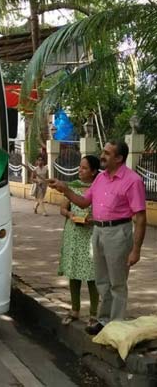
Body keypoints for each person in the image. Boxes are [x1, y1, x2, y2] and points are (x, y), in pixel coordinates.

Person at [49, 140, 147, 335]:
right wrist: (65, 189)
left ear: (119, 158)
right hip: (98, 232)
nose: (102, 156)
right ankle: (103, 320)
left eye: (107, 153)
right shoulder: (101, 178)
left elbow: (141, 217)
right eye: (103, 152)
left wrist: (136, 250)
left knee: (117, 282)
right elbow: (84, 202)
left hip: (118, 233)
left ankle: (116, 325)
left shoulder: (132, 180)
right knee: (102, 280)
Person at [58, 155, 100, 329]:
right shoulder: (73, 186)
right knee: (74, 272)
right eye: (79, 167)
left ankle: (94, 314)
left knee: (92, 275)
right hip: (74, 234)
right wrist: (69, 215)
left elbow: (104, 211)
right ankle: (74, 310)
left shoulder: (99, 187)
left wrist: (93, 218)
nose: (79, 170)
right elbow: (62, 208)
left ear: (93, 171)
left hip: (90, 234)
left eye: (84, 168)